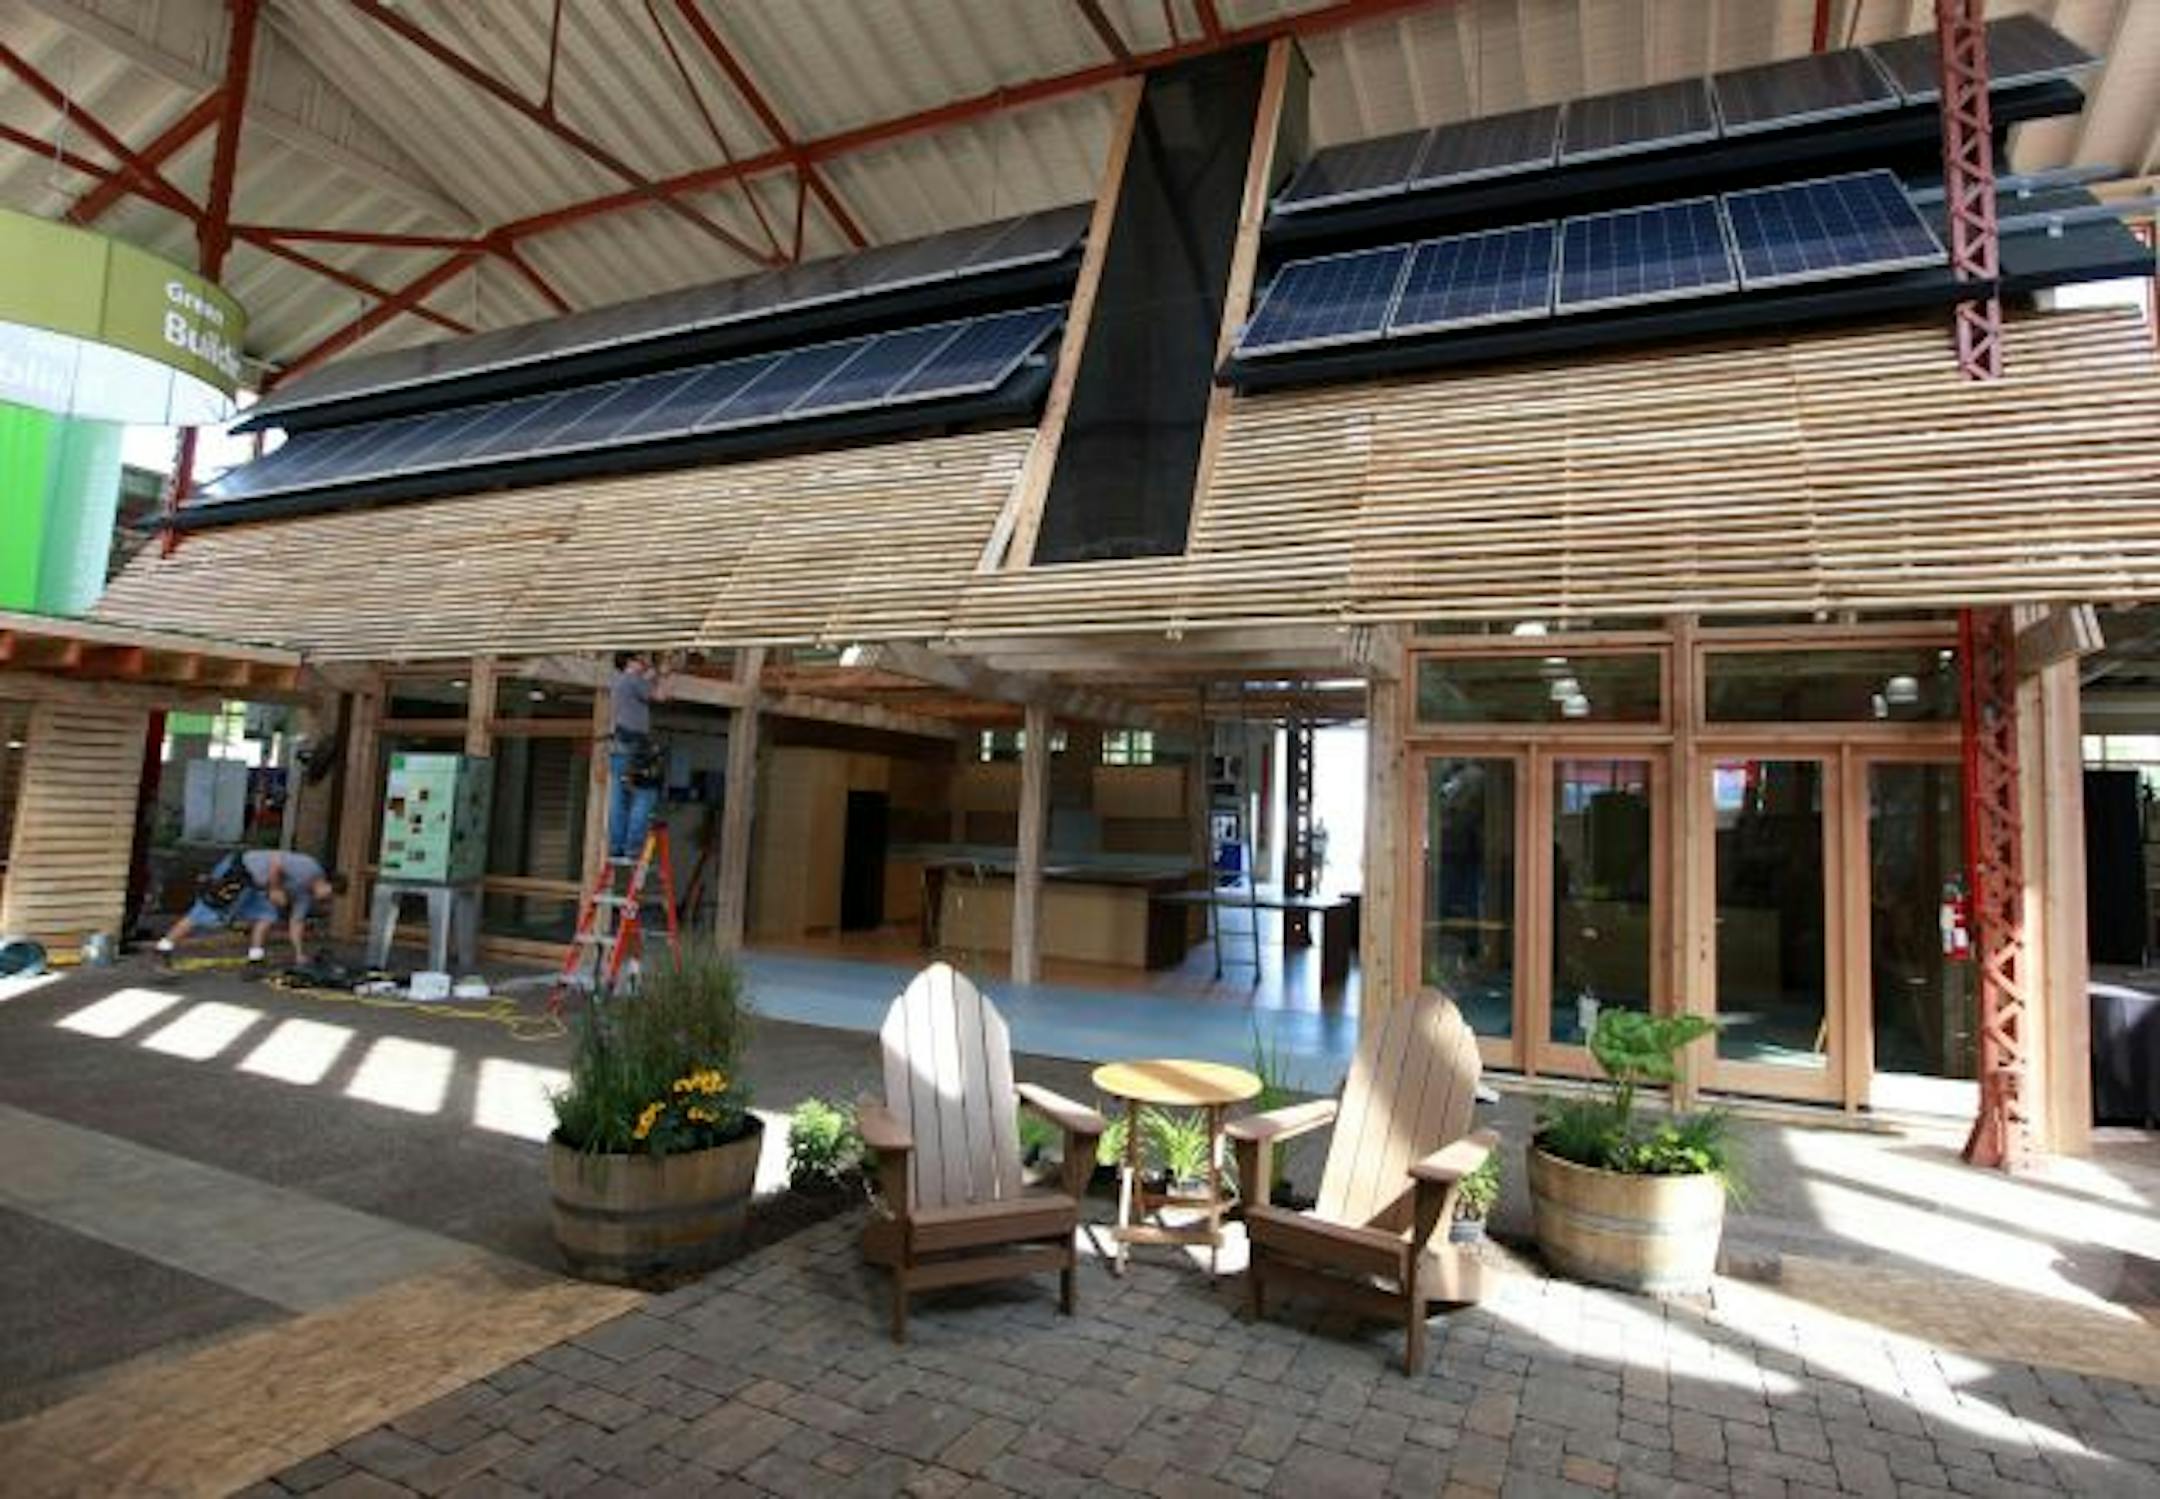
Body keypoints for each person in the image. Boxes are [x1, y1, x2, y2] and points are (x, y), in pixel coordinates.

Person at [155, 849, 343, 968]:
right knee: (208, 910)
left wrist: (299, 954)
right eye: (330, 894)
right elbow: (277, 862)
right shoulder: (309, 867)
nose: (326, 899)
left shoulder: (305, 896)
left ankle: (255, 958)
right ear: (327, 883)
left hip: (256, 886)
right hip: (241, 869)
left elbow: (297, 922)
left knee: (268, 915)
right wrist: (276, 888)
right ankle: (164, 946)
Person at [608, 650, 671, 861]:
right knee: (644, 795)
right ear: (630, 661)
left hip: (619, 745)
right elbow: (660, 695)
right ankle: (633, 848)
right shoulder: (633, 680)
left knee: (619, 797)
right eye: (640, 659)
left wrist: (651, 675)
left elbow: (644, 684)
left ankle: (616, 847)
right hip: (635, 746)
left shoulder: (620, 681)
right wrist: (663, 675)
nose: (644, 662)